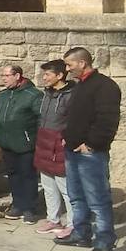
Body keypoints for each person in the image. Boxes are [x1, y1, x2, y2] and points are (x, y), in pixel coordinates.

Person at [58, 46, 122, 251]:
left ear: (82, 63)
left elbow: (107, 120)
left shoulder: (105, 86)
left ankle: (104, 243)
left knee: (98, 199)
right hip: (72, 150)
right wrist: (67, 137)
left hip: (90, 153)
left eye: (69, 65)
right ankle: (81, 233)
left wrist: (91, 144)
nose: (67, 70)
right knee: (76, 197)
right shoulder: (80, 86)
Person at [0, 63, 42, 223]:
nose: (3, 79)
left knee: (28, 175)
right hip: (7, 143)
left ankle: (30, 208)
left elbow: (41, 119)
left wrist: (36, 140)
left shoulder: (33, 95)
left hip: (26, 144)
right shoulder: (3, 95)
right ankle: (18, 204)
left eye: (6, 76)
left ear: (17, 76)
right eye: (2, 76)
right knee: (13, 175)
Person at [34, 59, 75, 238]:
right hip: (44, 140)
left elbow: (76, 120)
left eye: (48, 74)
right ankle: (54, 219)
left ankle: (74, 224)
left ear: (59, 75)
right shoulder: (47, 94)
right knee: (48, 185)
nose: (44, 78)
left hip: (60, 143)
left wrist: (69, 137)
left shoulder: (72, 94)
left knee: (66, 188)